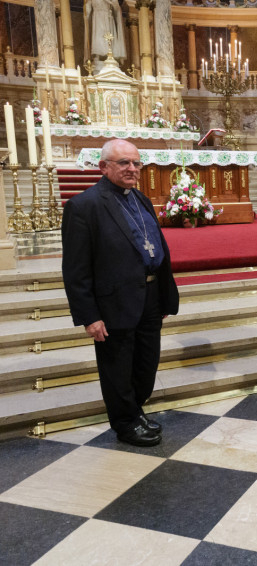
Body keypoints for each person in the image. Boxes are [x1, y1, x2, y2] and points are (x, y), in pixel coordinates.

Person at [62, 139, 179, 447]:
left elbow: (154, 247)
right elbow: (75, 269)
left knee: (146, 364)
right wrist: (89, 316)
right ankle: (125, 423)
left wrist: (163, 296)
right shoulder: (83, 206)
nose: (132, 169)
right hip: (113, 302)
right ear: (104, 167)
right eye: (124, 163)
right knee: (117, 368)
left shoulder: (141, 199)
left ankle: (134, 410)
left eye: (136, 163)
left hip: (149, 298)